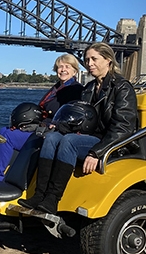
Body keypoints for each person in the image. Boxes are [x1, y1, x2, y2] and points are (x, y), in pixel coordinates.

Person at [17, 42, 138, 214]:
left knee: (69, 142)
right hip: (90, 136)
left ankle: (53, 199)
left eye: (94, 59)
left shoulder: (122, 88)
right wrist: (59, 125)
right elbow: (81, 117)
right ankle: (39, 194)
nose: (89, 64)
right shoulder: (89, 88)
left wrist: (98, 152)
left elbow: (123, 127)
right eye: (87, 60)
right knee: (51, 137)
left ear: (108, 60)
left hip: (110, 142)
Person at [0, 54, 83, 181]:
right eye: (60, 67)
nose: (63, 70)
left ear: (75, 70)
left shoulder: (75, 89)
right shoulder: (57, 87)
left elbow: (69, 116)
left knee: (7, 137)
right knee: (4, 131)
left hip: (52, 134)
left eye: (67, 67)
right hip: (42, 129)